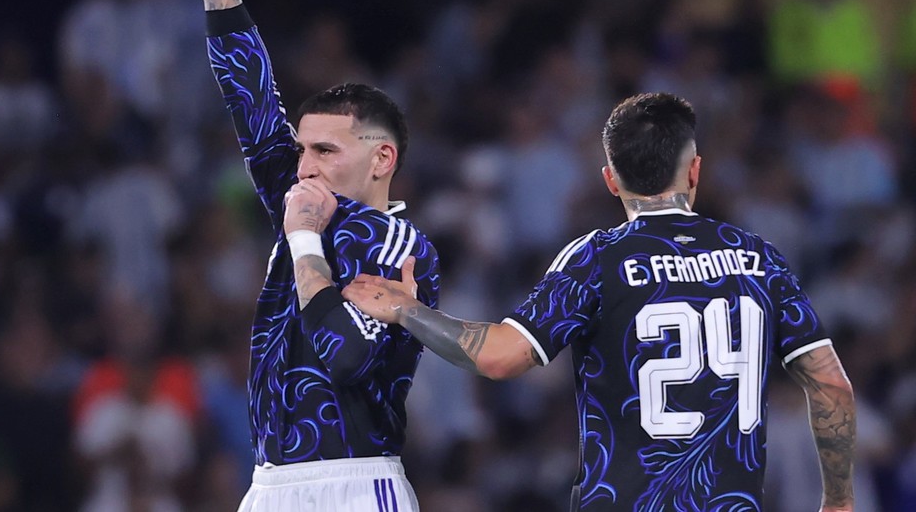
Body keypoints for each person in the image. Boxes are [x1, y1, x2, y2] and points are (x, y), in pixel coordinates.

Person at [341, 93, 856, 511]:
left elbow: (499, 356)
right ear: (695, 170)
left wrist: (407, 310)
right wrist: (838, 499)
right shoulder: (757, 257)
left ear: (611, 179)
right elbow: (831, 385)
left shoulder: (597, 259)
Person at [178, 0, 441, 512]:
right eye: (302, 149)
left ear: (382, 159)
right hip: (269, 483)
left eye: (325, 150)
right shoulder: (302, 198)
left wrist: (301, 239)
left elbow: (346, 356)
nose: (303, 166)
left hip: (353, 482)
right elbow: (247, 90)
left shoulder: (397, 245)